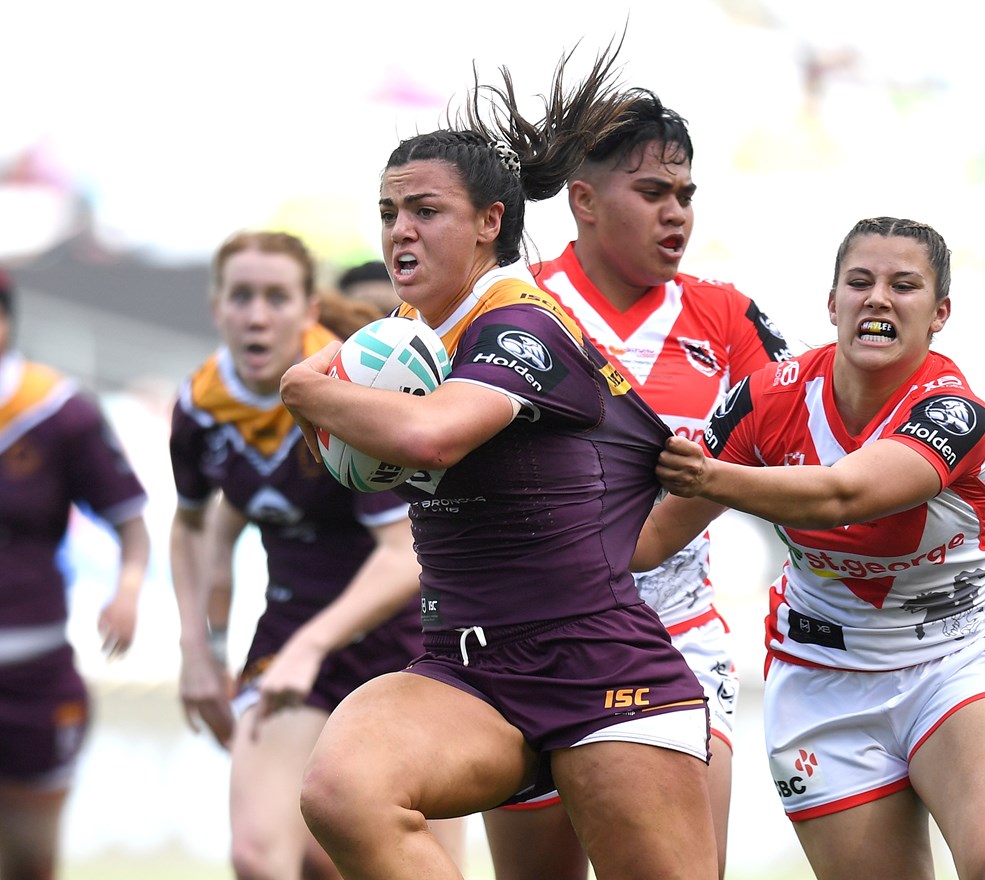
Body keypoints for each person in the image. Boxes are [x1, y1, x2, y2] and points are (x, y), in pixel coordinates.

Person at [279, 44, 719, 880]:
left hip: (600, 667)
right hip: (467, 668)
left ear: (489, 222)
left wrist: (307, 387)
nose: (400, 229)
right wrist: (333, 416)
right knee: (343, 791)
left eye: (425, 210)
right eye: (387, 211)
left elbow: (431, 438)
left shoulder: (523, 322)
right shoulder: (411, 343)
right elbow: (360, 461)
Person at [632, 217, 985, 880]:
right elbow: (651, 538)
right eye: (860, 281)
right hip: (824, 682)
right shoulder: (764, 400)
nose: (878, 298)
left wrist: (714, 477)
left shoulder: (954, 411)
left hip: (959, 661)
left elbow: (843, 495)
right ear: (833, 304)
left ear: (940, 313)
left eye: (903, 285)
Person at [480, 91, 792, 880]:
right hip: (533, 645)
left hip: (676, 639)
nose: (676, 213)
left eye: (685, 195)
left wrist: (693, 500)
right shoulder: (514, 306)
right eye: (652, 193)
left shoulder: (728, 320)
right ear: (583, 201)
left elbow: (779, 445)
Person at [167, 231, 464, 880]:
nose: (256, 314)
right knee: (261, 856)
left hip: (405, 641)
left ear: (308, 310)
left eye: (276, 297)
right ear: (216, 307)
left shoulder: (347, 384)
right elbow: (198, 527)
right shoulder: (199, 407)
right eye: (240, 296)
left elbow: (401, 557)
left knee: (399, 859)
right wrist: (201, 652)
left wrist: (310, 645)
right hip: (289, 631)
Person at [0, 268, 151, 880]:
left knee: (31, 859)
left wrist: (129, 591)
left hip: (35, 670)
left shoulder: (58, 410)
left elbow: (129, 521)